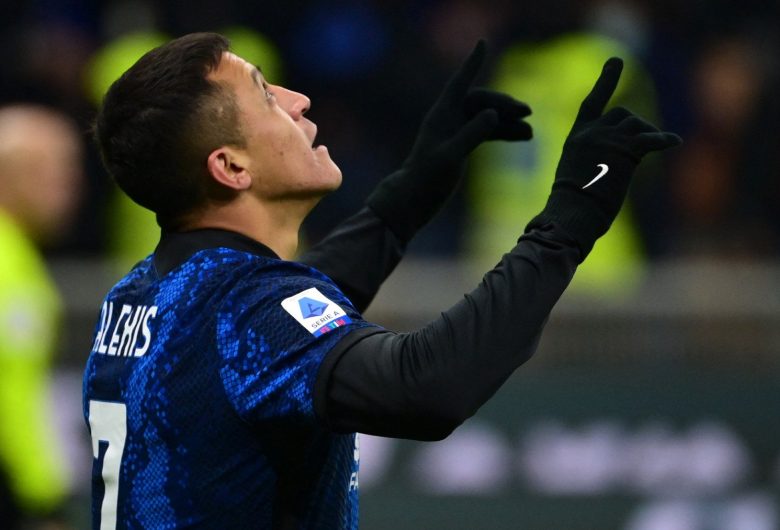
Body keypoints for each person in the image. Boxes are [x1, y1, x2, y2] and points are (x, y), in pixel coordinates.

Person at [83, 32, 680, 528]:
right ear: (231, 166)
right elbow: (427, 386)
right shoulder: (245, 310)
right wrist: (566, 221)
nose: (298, 100)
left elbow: (287, 316)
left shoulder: (143, 292)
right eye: (266, 95)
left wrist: (412, 191)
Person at [0, 104, 81, 528]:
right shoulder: (7, 265)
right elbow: (11, 392)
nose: (70, 189)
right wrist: (44, 501)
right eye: (52, 173)